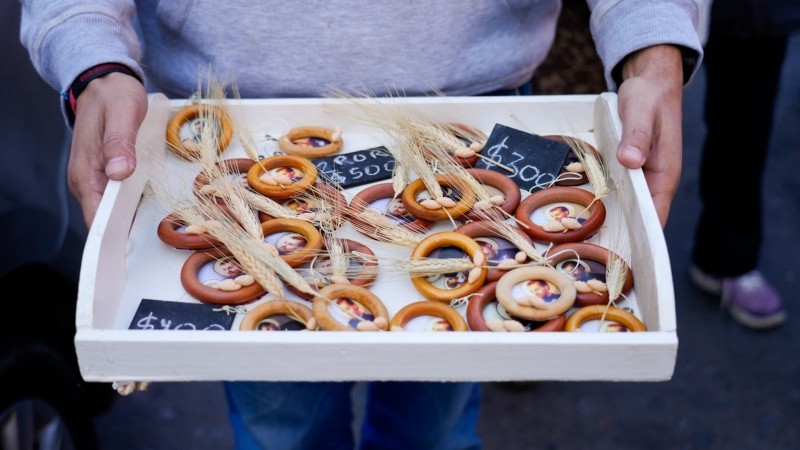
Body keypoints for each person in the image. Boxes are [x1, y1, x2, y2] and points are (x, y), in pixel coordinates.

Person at [20, 2, 703, 448]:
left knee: (435, 418)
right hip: (230, 130)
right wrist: (93, 57)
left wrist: (653, 38)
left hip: (479, 107)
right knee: (279, 422)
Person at [689, 0, 798, 330]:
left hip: (753, 13)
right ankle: (594, 251)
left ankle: (726, 259)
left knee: (745, 128)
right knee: (624, 119)